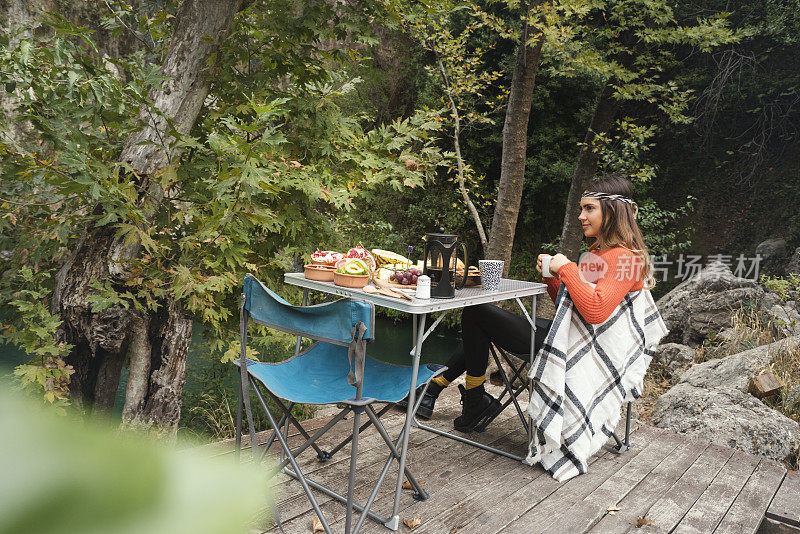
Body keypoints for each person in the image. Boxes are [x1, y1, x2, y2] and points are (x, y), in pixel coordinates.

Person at [410, 175, 655, 432]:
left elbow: (596, 311)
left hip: (584, 352)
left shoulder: (624, 258)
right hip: (574, 336)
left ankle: (461, 397)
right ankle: (454, 395)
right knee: (479, 319)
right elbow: (573, 305)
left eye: (589, 208)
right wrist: (553, 278)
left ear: (613, 212)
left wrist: (568, 268)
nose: (581, 216)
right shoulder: (600, 254)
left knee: (476, 314)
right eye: (581, 208)